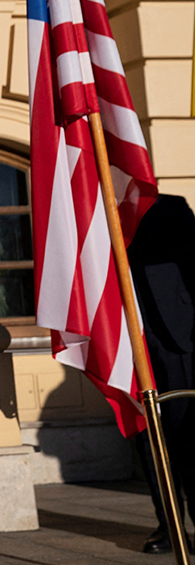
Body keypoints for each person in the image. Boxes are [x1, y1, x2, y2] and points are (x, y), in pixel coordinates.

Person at [127, 194, 195, 555]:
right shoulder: (85, 209)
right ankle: (169, 526)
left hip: (177, 338)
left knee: (189, 433)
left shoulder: (170, 207)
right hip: (126, 342)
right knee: (147, 438)